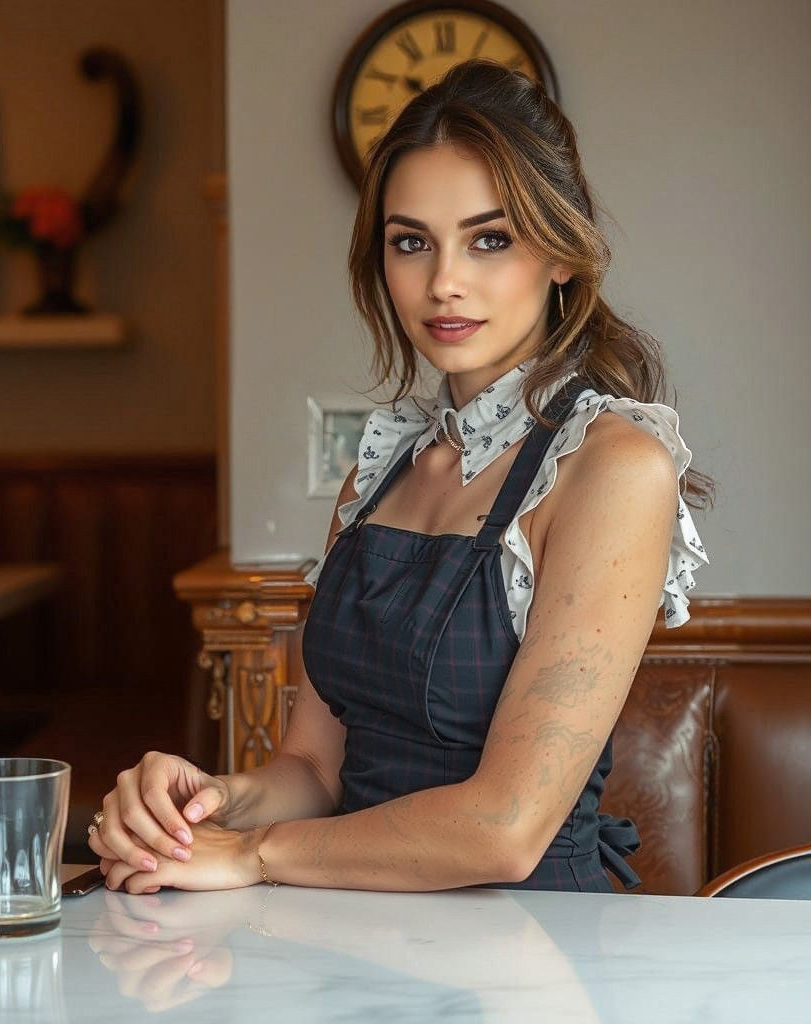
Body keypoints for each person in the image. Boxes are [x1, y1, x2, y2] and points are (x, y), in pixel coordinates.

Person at [88, 59, 712, 895]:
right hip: (355, 923)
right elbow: (314, 768)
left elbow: (506, 829)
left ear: (562, 256)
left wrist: (253, 853)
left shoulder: (614, 467)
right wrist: (212, 804)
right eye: (410, 241)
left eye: (490, 239)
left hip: (528, 952)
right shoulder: (381, 474)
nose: (443, 280)